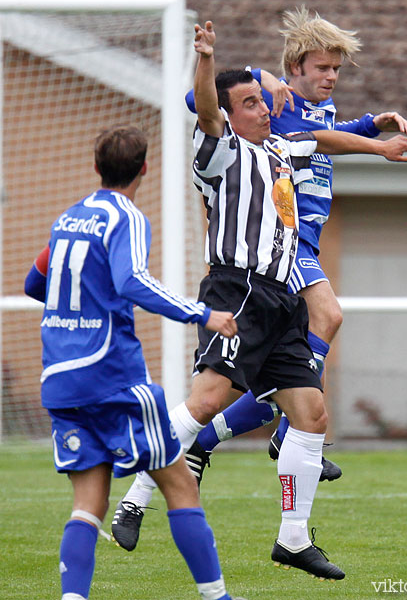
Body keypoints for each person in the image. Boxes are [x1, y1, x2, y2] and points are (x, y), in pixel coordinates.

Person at [112, 21, 407, 580]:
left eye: (263, 101)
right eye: (252, 103)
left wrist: (377, 140)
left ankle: (294, 539)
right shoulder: (220, 150)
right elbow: (204, 105)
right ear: (231, 116)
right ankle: (135, 494)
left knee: (312, 413)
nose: (263, 107)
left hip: (282, 298)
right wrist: (212, 61)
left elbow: (325, 138)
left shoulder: (282, 144)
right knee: (206, 400)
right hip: (242, 291)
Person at [181, 6, 407, 481]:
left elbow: (327, 133)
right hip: (280, 249)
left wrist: (374, 122)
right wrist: (260, 75)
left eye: (336, 68)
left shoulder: (316, 112)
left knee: (283, 391)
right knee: (328, 315)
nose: (331, 77)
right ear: (294, 69)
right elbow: (196, 99)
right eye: (322, 68)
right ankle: (286, 431)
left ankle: (208, 442)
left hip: (301, 243)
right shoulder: (277, 106)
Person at [24, 125, 246, 600]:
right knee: (181, 486)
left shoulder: (67, 219)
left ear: (96, 165)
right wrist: (202, 312)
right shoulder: (126, 217)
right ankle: (218, 598)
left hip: (60, 380)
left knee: (88, 504)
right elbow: (132, 282)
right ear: (145, 167)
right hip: (112, 377)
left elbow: (33, 283)